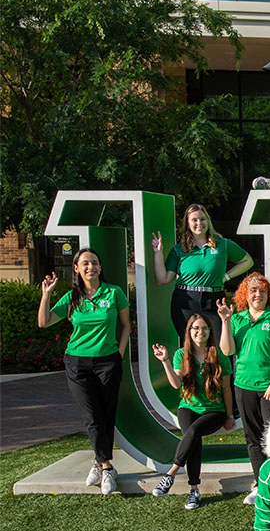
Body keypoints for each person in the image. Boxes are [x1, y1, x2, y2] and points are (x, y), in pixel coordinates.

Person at [38, 248, 131, 495]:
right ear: (76, 269)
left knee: (106, 414)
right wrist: (46, 295)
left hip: (107, 362)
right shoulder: (71, 297)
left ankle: (98, 462)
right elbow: (44, 321)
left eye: (95, 263)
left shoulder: (114, 293)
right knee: (91, 414)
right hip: (77, 363)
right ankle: (107, 466)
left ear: (100, 267)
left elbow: (126, 326)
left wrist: (118, 355)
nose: (91, 267)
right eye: (85, 263)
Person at [218, 273, 270, 504]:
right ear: (244, 295)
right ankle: (260, 484)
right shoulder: (237, 319)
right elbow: (228, 351)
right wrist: (225, 322)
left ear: (269, 294)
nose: (257, 294)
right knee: (253, 437)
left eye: (262, 291)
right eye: (253, 291)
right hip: (244, 386)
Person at [151, 314, 236, 509]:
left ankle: (170, 474)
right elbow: (176, 384)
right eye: (196, 328)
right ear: (189, 332)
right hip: (188, 407)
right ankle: (194, 491)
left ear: (210, 331)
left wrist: (229, 415)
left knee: (194, 432)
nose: (200, 332)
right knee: (193, 439)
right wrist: (165, 361)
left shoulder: (218, 354)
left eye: (204, 328)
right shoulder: (181, 354)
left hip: (214, 411)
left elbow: (226, 388)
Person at [152, 203, 253, 343]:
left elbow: (247, 261)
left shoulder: (223, 244)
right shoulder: (179, 250)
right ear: (187, 223)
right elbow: (163, 279)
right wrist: (158, 253)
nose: (199, 223)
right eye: (194, 220)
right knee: (188, 345)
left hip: (214, 300)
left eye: (202, 219)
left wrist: (226, 276)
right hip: (185, 301)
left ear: (208, 221)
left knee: (220, 343)